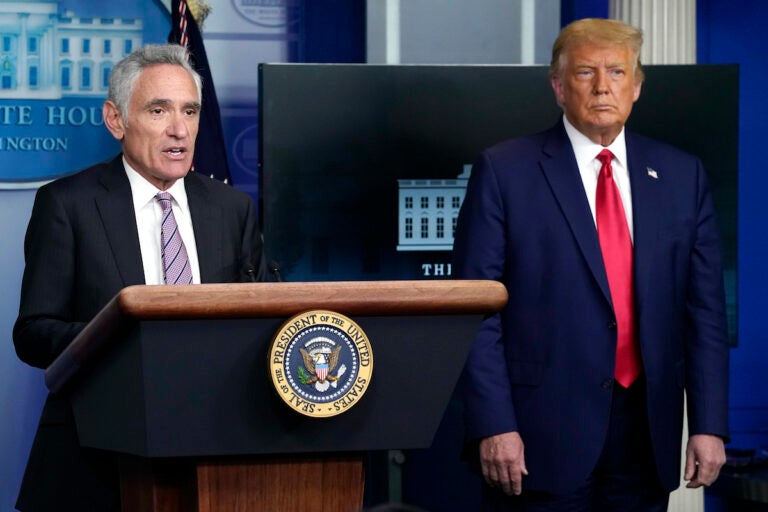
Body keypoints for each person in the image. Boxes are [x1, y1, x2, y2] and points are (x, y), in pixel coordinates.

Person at [453, 18, 729, 511]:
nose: (603, 86)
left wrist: (708, 424)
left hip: (646, 434)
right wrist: (494, 424)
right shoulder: (505, 170)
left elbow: (704, 313)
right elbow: (475, 312)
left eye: (617, 72)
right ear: (558, 87)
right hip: (538, 436)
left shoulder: (682, 175)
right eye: (585, 72)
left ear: (637, 87)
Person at [13, 44, 269, 511]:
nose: (179, 129)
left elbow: (264, 313)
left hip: (218, 447)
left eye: (190, 111)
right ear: (116, 120)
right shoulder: (69, 205)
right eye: (158, 110)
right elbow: (33, 333)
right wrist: (128, 341)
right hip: (99, 452)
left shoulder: (233, 208)